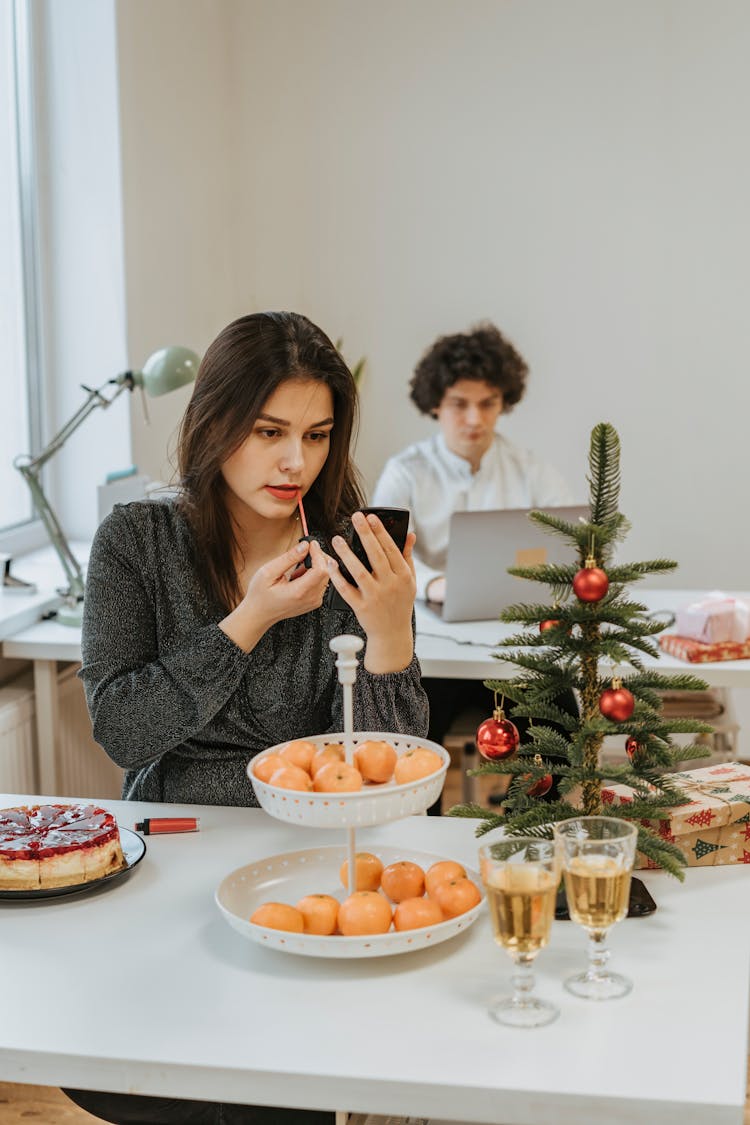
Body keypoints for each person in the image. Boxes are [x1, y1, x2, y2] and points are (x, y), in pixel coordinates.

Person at [66, 311, 428, 1125]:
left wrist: (393, 634)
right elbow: (122, 729)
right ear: (215, 423)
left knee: (277, 1082)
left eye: (317, 433)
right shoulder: (135, 541)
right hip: (172, 845)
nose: (295, 460)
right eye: (269, 430)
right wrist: (247, 621)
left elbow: (391, 766)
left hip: (303, 856)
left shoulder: (347, 547)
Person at [372, 322, 577, 810]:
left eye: (487, 403)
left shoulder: (529, 468)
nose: (474, 418)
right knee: (409, 741)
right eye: (460, 404)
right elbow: (381, 549)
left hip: (516, 649)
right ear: (435, 405)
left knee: (560, 726)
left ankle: (522, 831)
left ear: (503, 402)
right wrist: (434, 583)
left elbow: (575, 539)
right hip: (432, 649)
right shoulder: (407, 470)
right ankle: (423, 839)